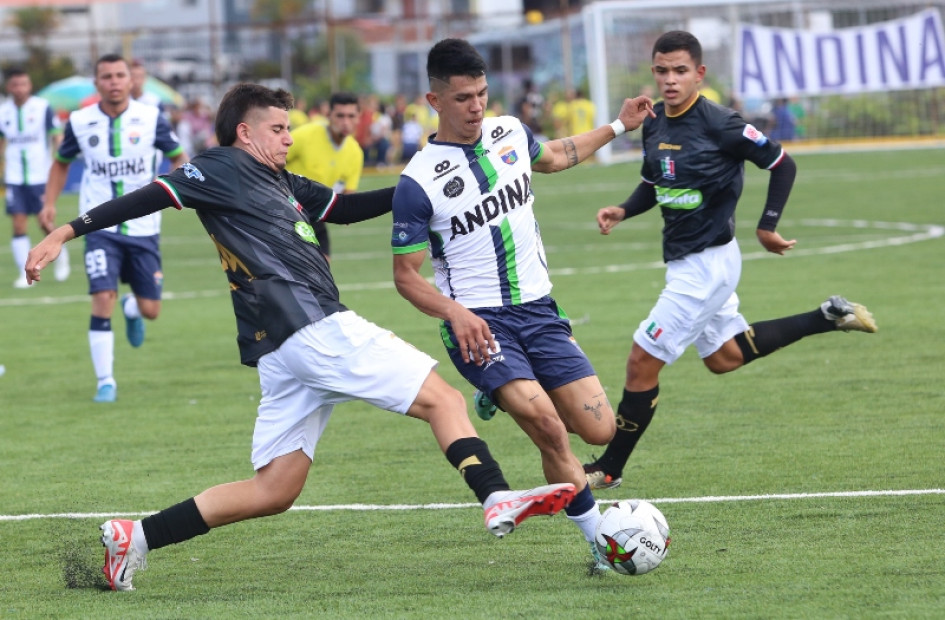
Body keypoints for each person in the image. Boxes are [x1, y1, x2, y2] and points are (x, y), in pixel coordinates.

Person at [25, 82, 576, 592]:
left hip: (281, 347)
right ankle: (495, 495)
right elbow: (147, 196)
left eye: (289, 128)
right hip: (311, 325)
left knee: (275, 490)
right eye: (278, 129)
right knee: (444, 400)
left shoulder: (283, 181)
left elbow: (347, 209)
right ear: (245, 132)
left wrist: (419, 187)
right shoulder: (219, 167)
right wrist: (65, 232)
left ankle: (135, 538)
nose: (289, 138)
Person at [390, 38, 654, 571]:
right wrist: (456, 314)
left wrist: (618, 126)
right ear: (434, 100)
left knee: (599, 430)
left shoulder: (509, 132)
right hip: (480, 325)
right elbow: (405, 277)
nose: (476, 107)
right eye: (462, 98)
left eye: (482, 94)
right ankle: (600, 544)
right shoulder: (417, 182)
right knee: (550, 430)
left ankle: (502, 392)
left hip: (539, 311)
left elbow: (555, 156)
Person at [580, 31, 877, 491]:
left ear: (699, 73)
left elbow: (782, 163)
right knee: (723, 356)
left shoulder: (721, 123)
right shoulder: (653, 122)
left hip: (707, 266)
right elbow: (655, 182)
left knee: (642, 361)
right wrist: (623, 209)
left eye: (680, 71)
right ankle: (827, 316)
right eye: (662, 71)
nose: (670, 80)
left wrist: (767, 226)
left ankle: (609, 468)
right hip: (689, 262)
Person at [40, 53, 188, 403]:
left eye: (120, 75)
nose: (114, 82)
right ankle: (105, 381)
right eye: (106, 77)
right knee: (101, 297)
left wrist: (179, 187)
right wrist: (49, 202)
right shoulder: (80, 121)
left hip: (145, 226)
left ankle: (132, 306)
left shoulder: (151, 118)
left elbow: (178, 156)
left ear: (130, 80)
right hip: (97, 226)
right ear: (97, 83)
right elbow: (61, 163)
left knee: (151, 311)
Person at [0, 67, 67, 288]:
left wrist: (59, 159)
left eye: (24, 84)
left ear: (29, 85)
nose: (20, 89)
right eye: (15, 85)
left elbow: (56, 135)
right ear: (9, 87)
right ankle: (25, 273)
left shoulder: (42, 107)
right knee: (18, 225)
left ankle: (61, 255)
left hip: (40, 175)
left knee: (44, 222)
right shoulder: (3, 111)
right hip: (14, 177)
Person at [285, 92, 363, 260]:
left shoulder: (355, 152)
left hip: (315, 215)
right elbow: (268, 161)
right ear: (329, 115)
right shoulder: (304, 136)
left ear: (358, 118)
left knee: (323, 265)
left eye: (351, 116)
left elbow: (348, 199)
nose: (346, 122)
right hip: (286, 211)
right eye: (340, 116)